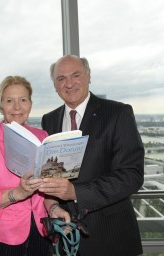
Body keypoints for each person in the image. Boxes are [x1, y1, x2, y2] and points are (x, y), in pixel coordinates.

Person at [39, 55, 144, 256]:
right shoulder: (49, 120)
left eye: (75, 75)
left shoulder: (118, 113)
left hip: (112, 239)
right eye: (61, 78)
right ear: (55, 85)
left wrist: (76, 193)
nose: (68, 83)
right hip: (65, 238)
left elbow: (132, 175)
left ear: (89, 76)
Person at [0, 76, 70, 256]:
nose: (17, 107)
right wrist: (18, 193)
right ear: (1, 106)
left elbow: (47, 191)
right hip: (3, 236)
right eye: (10, 101)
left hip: (41, 231)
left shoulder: (42, 136)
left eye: (23, 100)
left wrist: (54, 208)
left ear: (30, 104)